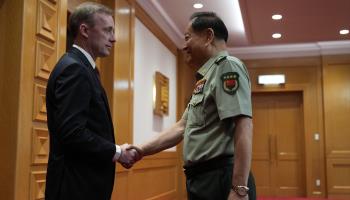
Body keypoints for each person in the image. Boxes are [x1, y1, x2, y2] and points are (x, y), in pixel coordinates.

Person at [131, 12, 256, 200]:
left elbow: (243, 125)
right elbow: (181, 127)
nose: (184, 45)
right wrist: (139, 149)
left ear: (208, 36)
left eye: (187, 37)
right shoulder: (205, 79)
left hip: (221, 177)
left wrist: (239, 188)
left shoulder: (227, 67)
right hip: (203, 179)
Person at [45, 2, 140, 200]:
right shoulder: (75, 69)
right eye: (108, 30)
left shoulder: (82, 68)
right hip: (75, 188)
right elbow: (73, 132)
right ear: (85, 30)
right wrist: (117, 152)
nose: (113, 39)